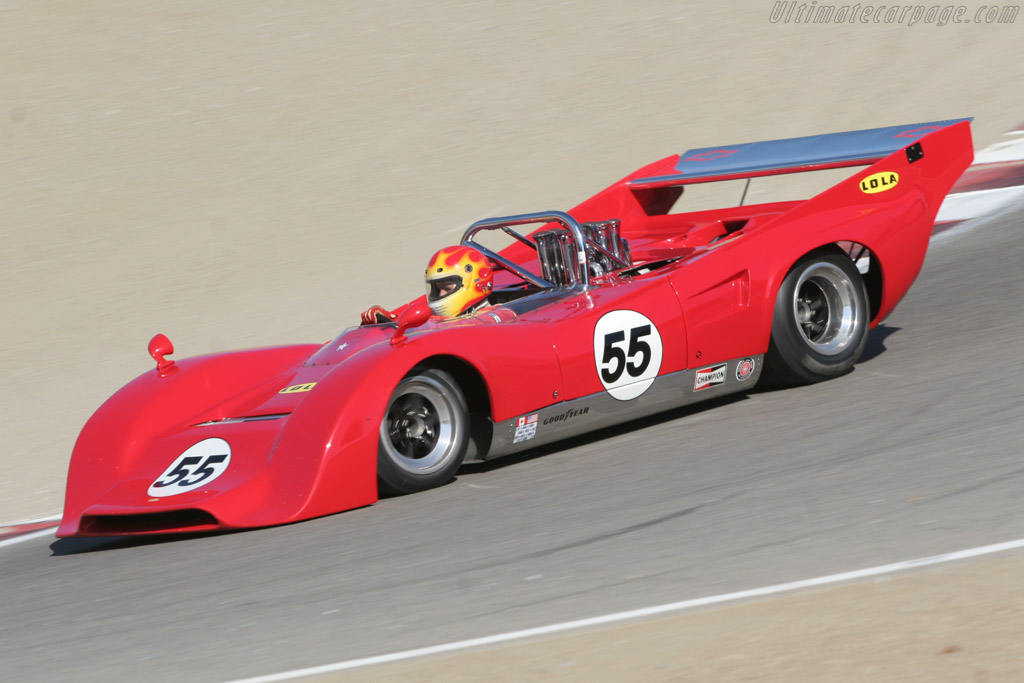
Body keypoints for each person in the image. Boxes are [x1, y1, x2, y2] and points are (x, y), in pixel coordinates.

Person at [361, 245, 494, 324]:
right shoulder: (439, 319)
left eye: (446, 288)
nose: (440, 294)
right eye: (436, 289)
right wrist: (388, 319)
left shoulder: (498, 315)